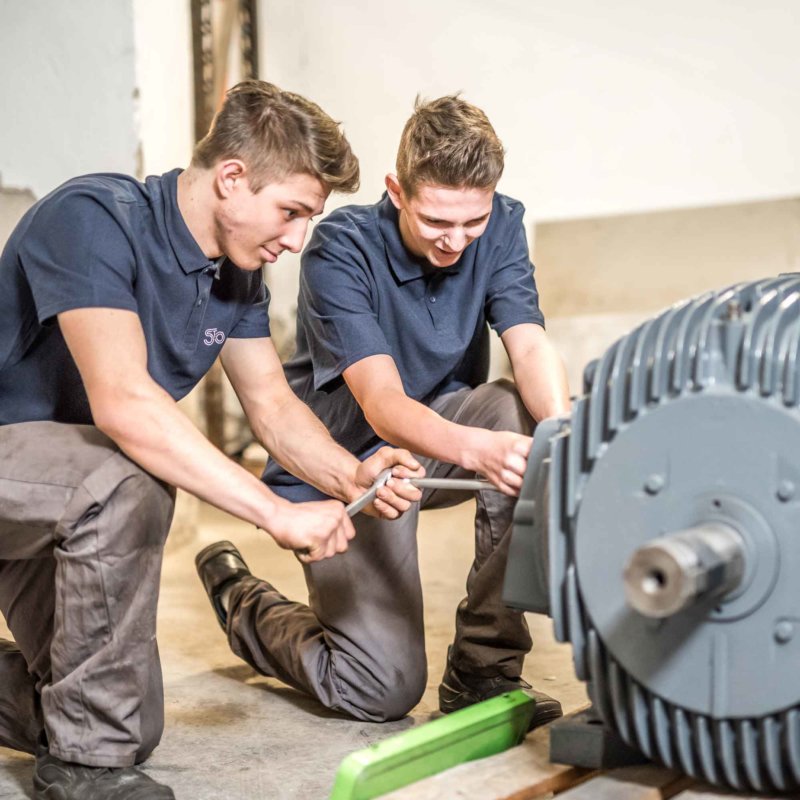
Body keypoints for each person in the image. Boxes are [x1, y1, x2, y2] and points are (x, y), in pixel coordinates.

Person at [0, 80, 422, 800]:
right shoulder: (93, 218)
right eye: (290, 212)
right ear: (232, 177)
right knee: (126, 479)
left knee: (125, 721)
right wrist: (273, 512)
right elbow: (125, 404)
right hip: (31, 474)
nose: (295, 240)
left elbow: (273, 408)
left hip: (57, 504)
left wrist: (353, 477)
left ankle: (90, 742)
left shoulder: (237, 277)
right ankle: (84, 776)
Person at [196, 95, 571, 727]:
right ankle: (245, 605)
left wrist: (562, 438)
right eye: (436, 221)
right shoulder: (339, 250)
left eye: (472, 222)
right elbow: (383, 405)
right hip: (351, 462)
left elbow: (527, 341)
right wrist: (481, 452)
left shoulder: (501, 224)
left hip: (441, 441)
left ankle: (485, 668)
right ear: (397, 191)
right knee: (381, 690)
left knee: (521, 417)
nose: (456, 241)